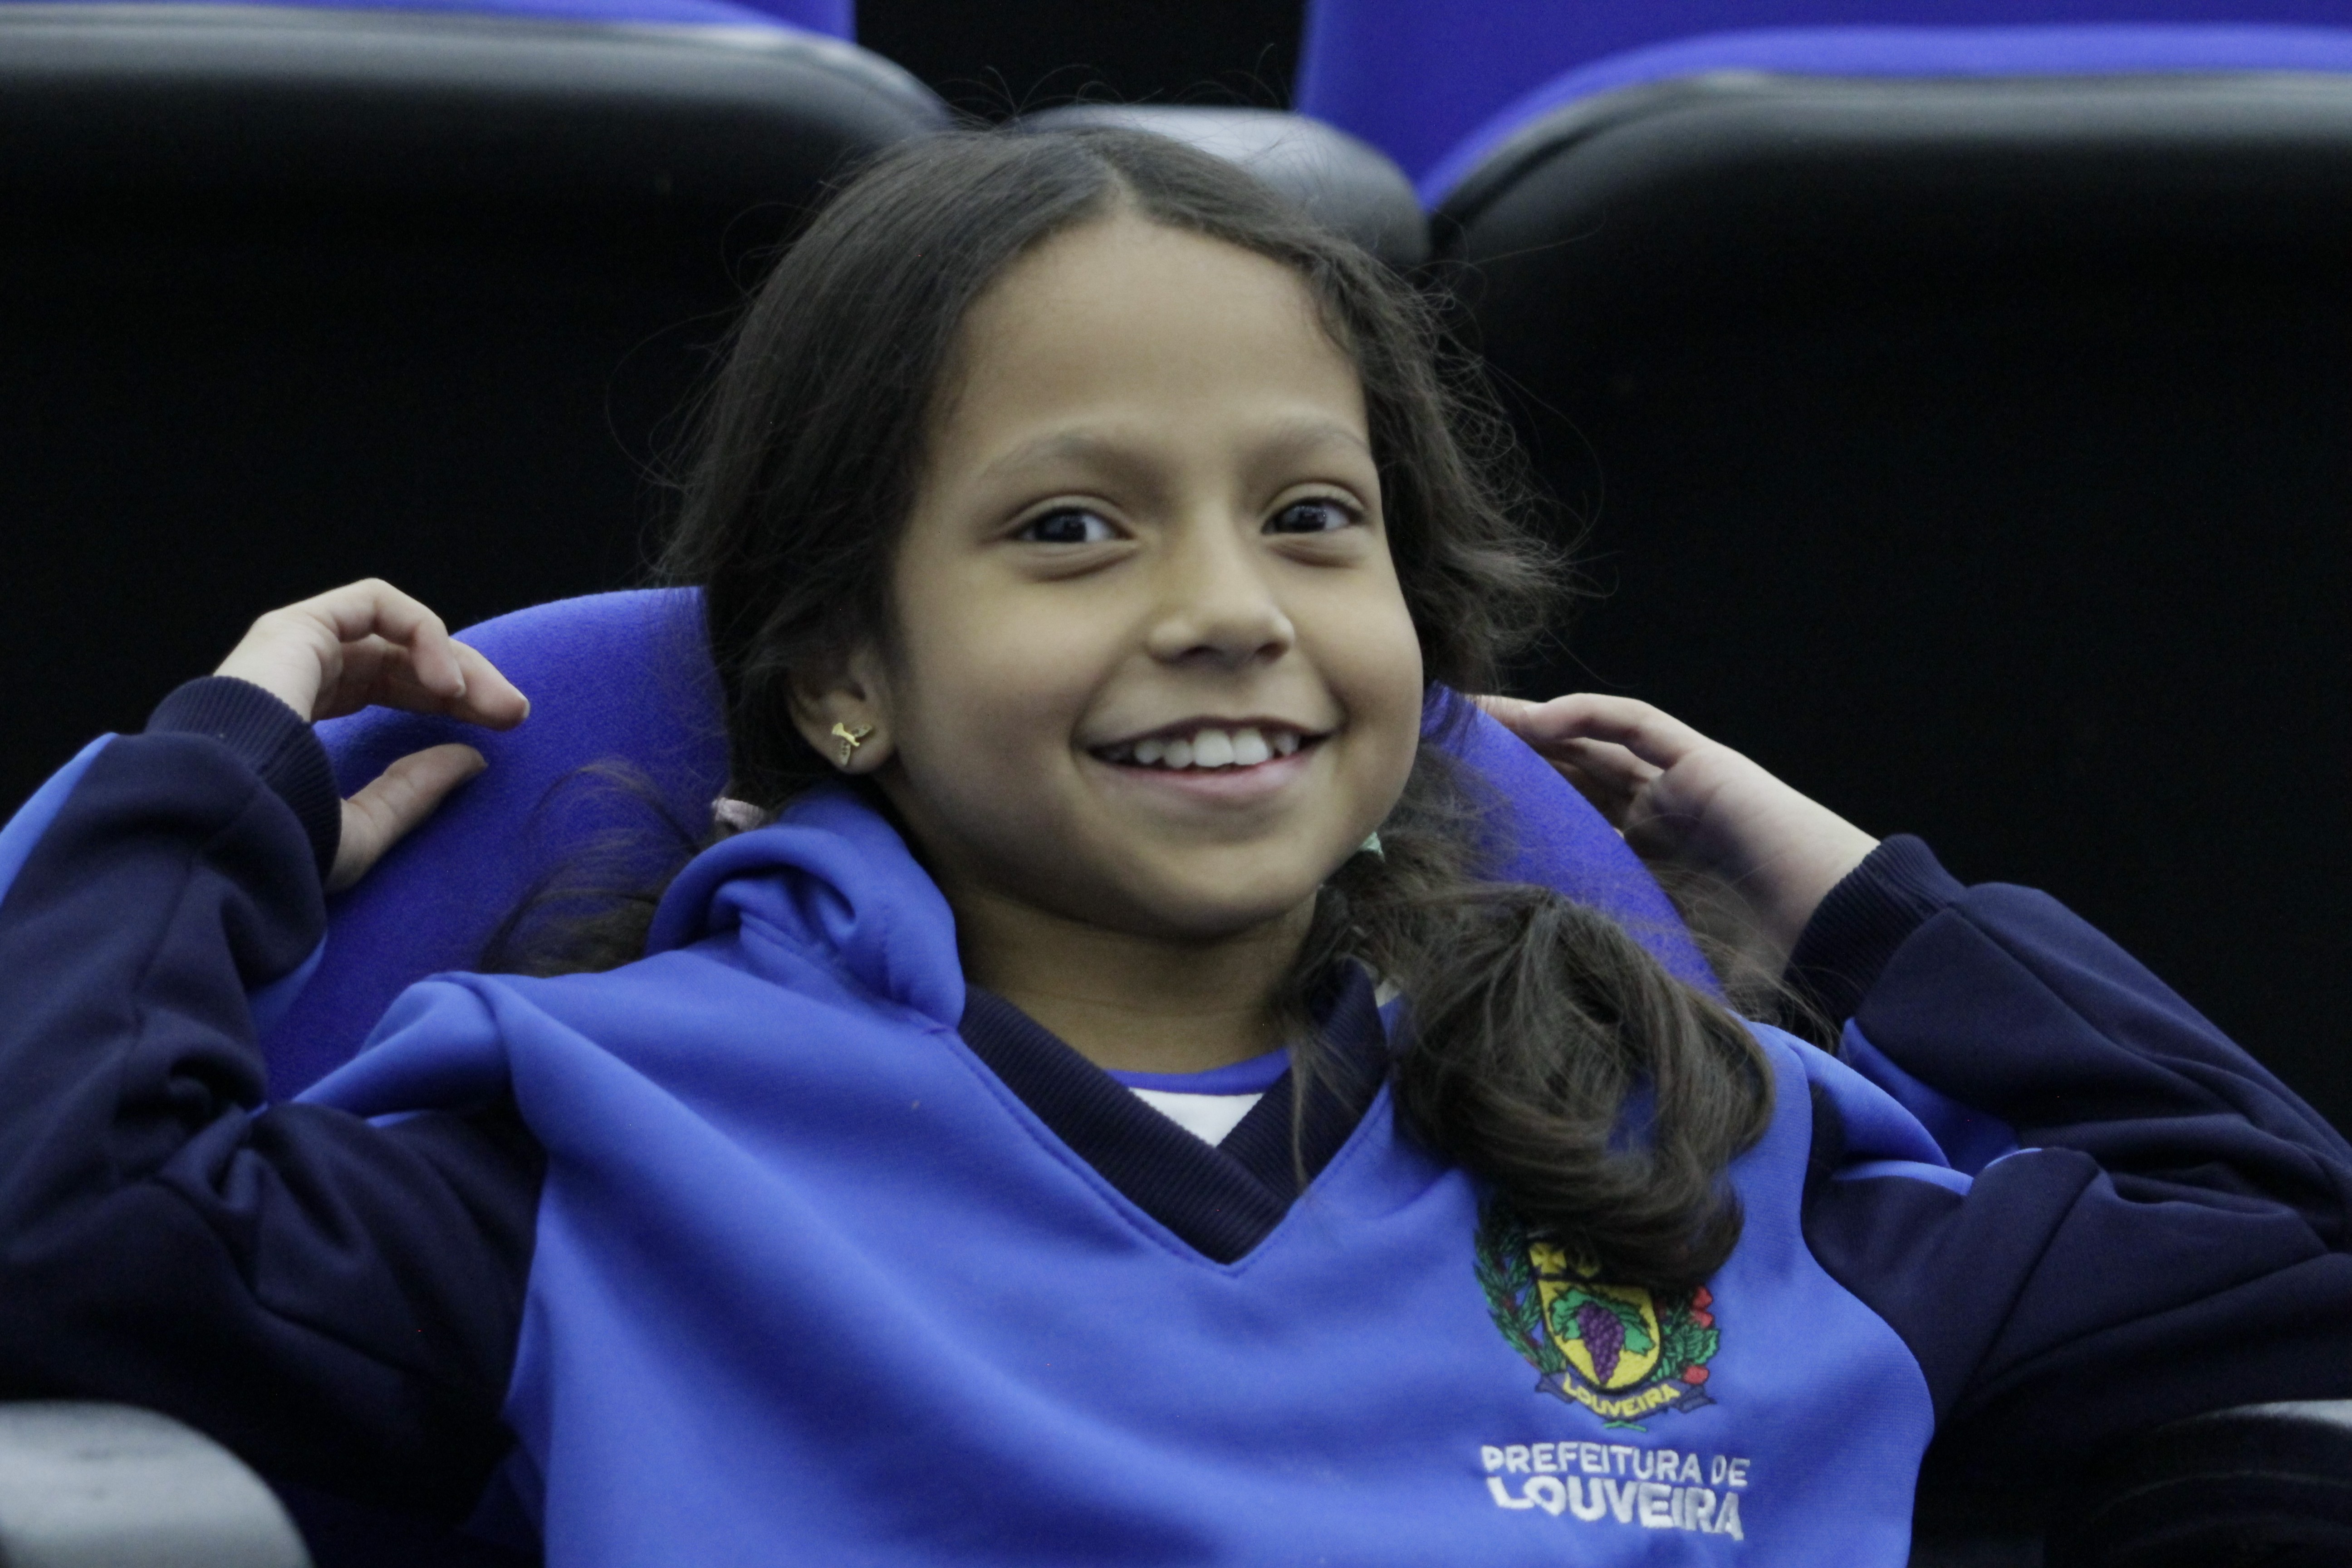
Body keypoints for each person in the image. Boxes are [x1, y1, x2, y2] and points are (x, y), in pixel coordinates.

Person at [0, 126, 2345, 1567]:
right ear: (840, 673)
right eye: (1072, 528)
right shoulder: (619, 1144)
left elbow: (2287, 1249)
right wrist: (216, 786)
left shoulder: (1675, 1140)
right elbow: (69, 1231)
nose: (1230, 607)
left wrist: (1853, 906)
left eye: (1315, 519)